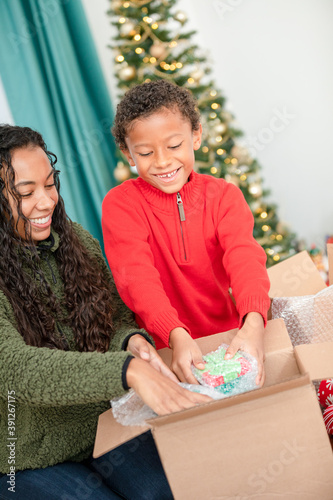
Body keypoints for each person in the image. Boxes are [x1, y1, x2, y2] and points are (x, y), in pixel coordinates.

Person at [0, 124, 210, 500]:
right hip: (25, 455)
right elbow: (18, 369)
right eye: (25, 193)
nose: (46, 202)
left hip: (101, 427)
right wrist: (127, 371)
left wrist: (131, 344)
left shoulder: (75, 240)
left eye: (49, 184)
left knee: (169, 490)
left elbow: (112, 318)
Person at [102, 80, 271, 388]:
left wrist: (254, 322)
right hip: (165, 352)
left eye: (174, 146)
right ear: (128, 154)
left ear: (196, 135)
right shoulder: (120, 205)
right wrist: (175, 335)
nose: (163, 161)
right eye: (145, 152)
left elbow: (245, 260)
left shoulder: (224, 197)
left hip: (231, 341)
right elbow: (137, 279)